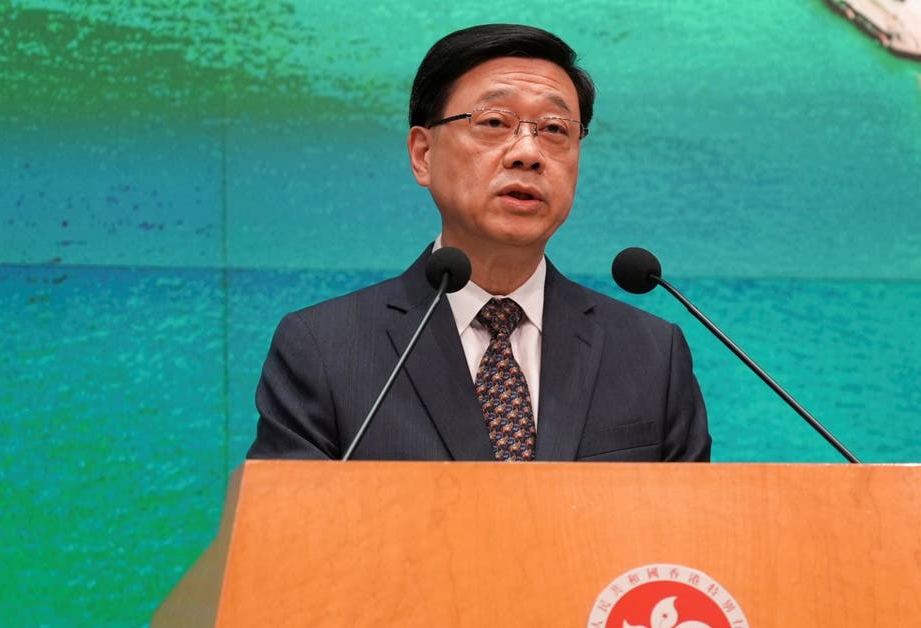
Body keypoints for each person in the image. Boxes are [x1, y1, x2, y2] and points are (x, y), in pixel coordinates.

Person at [247, 24, 710, 462]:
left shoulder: (651, 353)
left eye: (554, 129)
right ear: (423, 155)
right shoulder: (325, 348)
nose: (528, 153)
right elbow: (290, 534)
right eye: (493, 122)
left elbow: (689, 535)